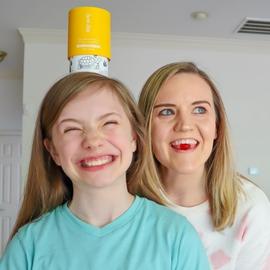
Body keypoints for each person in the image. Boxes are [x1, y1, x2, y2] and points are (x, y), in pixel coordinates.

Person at [0, 72, 210, 270]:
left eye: (109, 123)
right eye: (72, 129)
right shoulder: (28, 246)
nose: (92, 141)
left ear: (134, 138)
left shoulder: (176, 235)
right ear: (53, 150)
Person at [138, 62, 270, 270]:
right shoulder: (121, 201)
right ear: (145, 128)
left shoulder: (251, 207)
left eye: (199, 110)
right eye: (166, 112)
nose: (185, 125)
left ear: (217, 127)